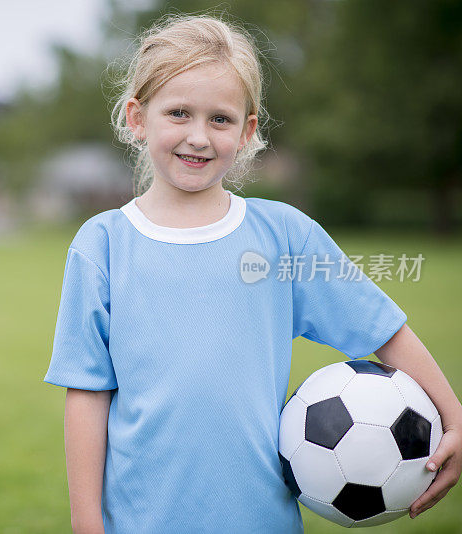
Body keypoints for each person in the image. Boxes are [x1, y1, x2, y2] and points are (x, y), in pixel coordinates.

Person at [42, 13, 462, 534]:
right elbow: (87, 394)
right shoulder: (102, 244)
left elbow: (383, 328)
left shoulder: (284, 235)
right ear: (136, 117)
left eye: (219, 119)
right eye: (178, 112)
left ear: (247, 131)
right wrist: (88, 526)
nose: (198, 136)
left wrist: (454, 415)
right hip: (137, 523)